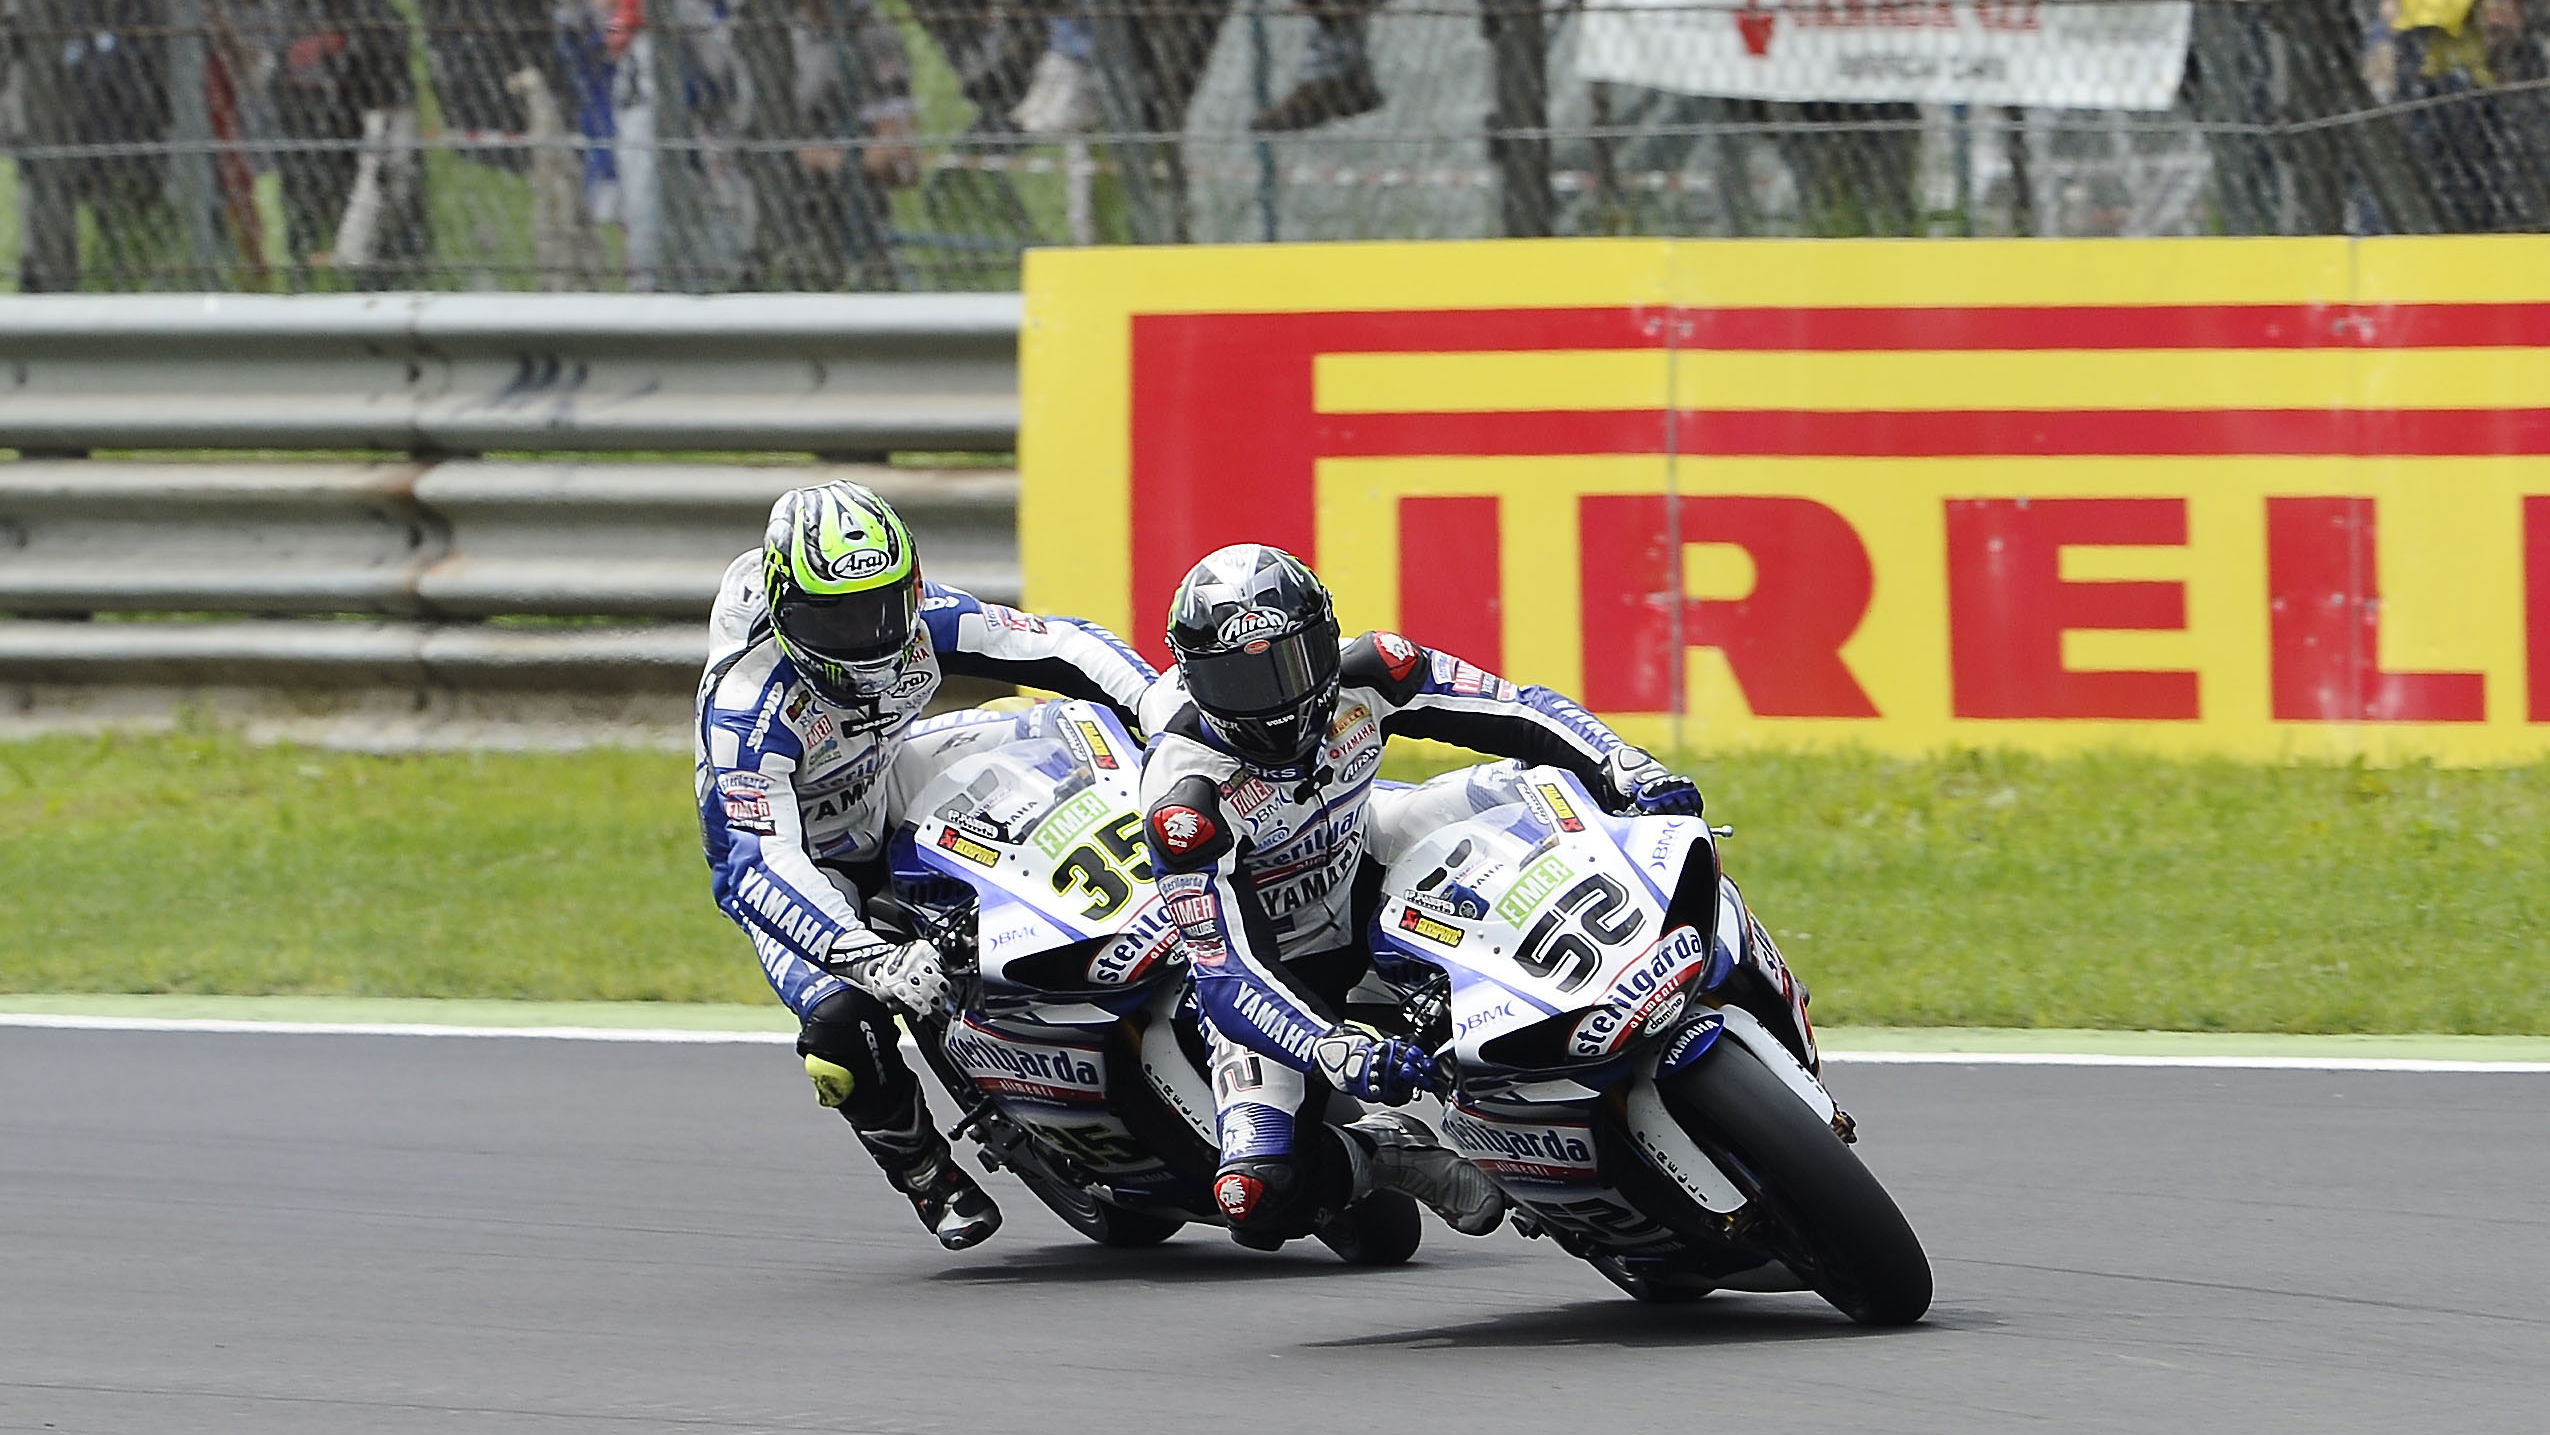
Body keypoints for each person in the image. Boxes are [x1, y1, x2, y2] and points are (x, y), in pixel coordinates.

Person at [1137, 544, 1704, 1248]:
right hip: (1281, 967)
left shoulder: (1375, 667)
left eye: (1290, 663)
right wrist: (1332, 1048)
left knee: (1560, 792)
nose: (1278, 700)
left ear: (1325, 637)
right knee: (1254, 1195)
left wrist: (1626, 765)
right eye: (1242, 682)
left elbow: (1520, 710)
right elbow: (1224, 974)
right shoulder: (1185, 802)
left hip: (1377, 859)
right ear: (1193, 682)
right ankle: (1384, 1153)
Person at [696, 481, 1157, 1249]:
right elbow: (755, 863)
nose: (870, 633)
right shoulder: (748, 709)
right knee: (840, 1027)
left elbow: (1062, 642)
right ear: (784, 608)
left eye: (884, 604)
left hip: (885, 774)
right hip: (802, 849)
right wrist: (865, 958)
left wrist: (1168, 714)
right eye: (835, 617)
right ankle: (922, 1170)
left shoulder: (925, 618)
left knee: (1068, 728)